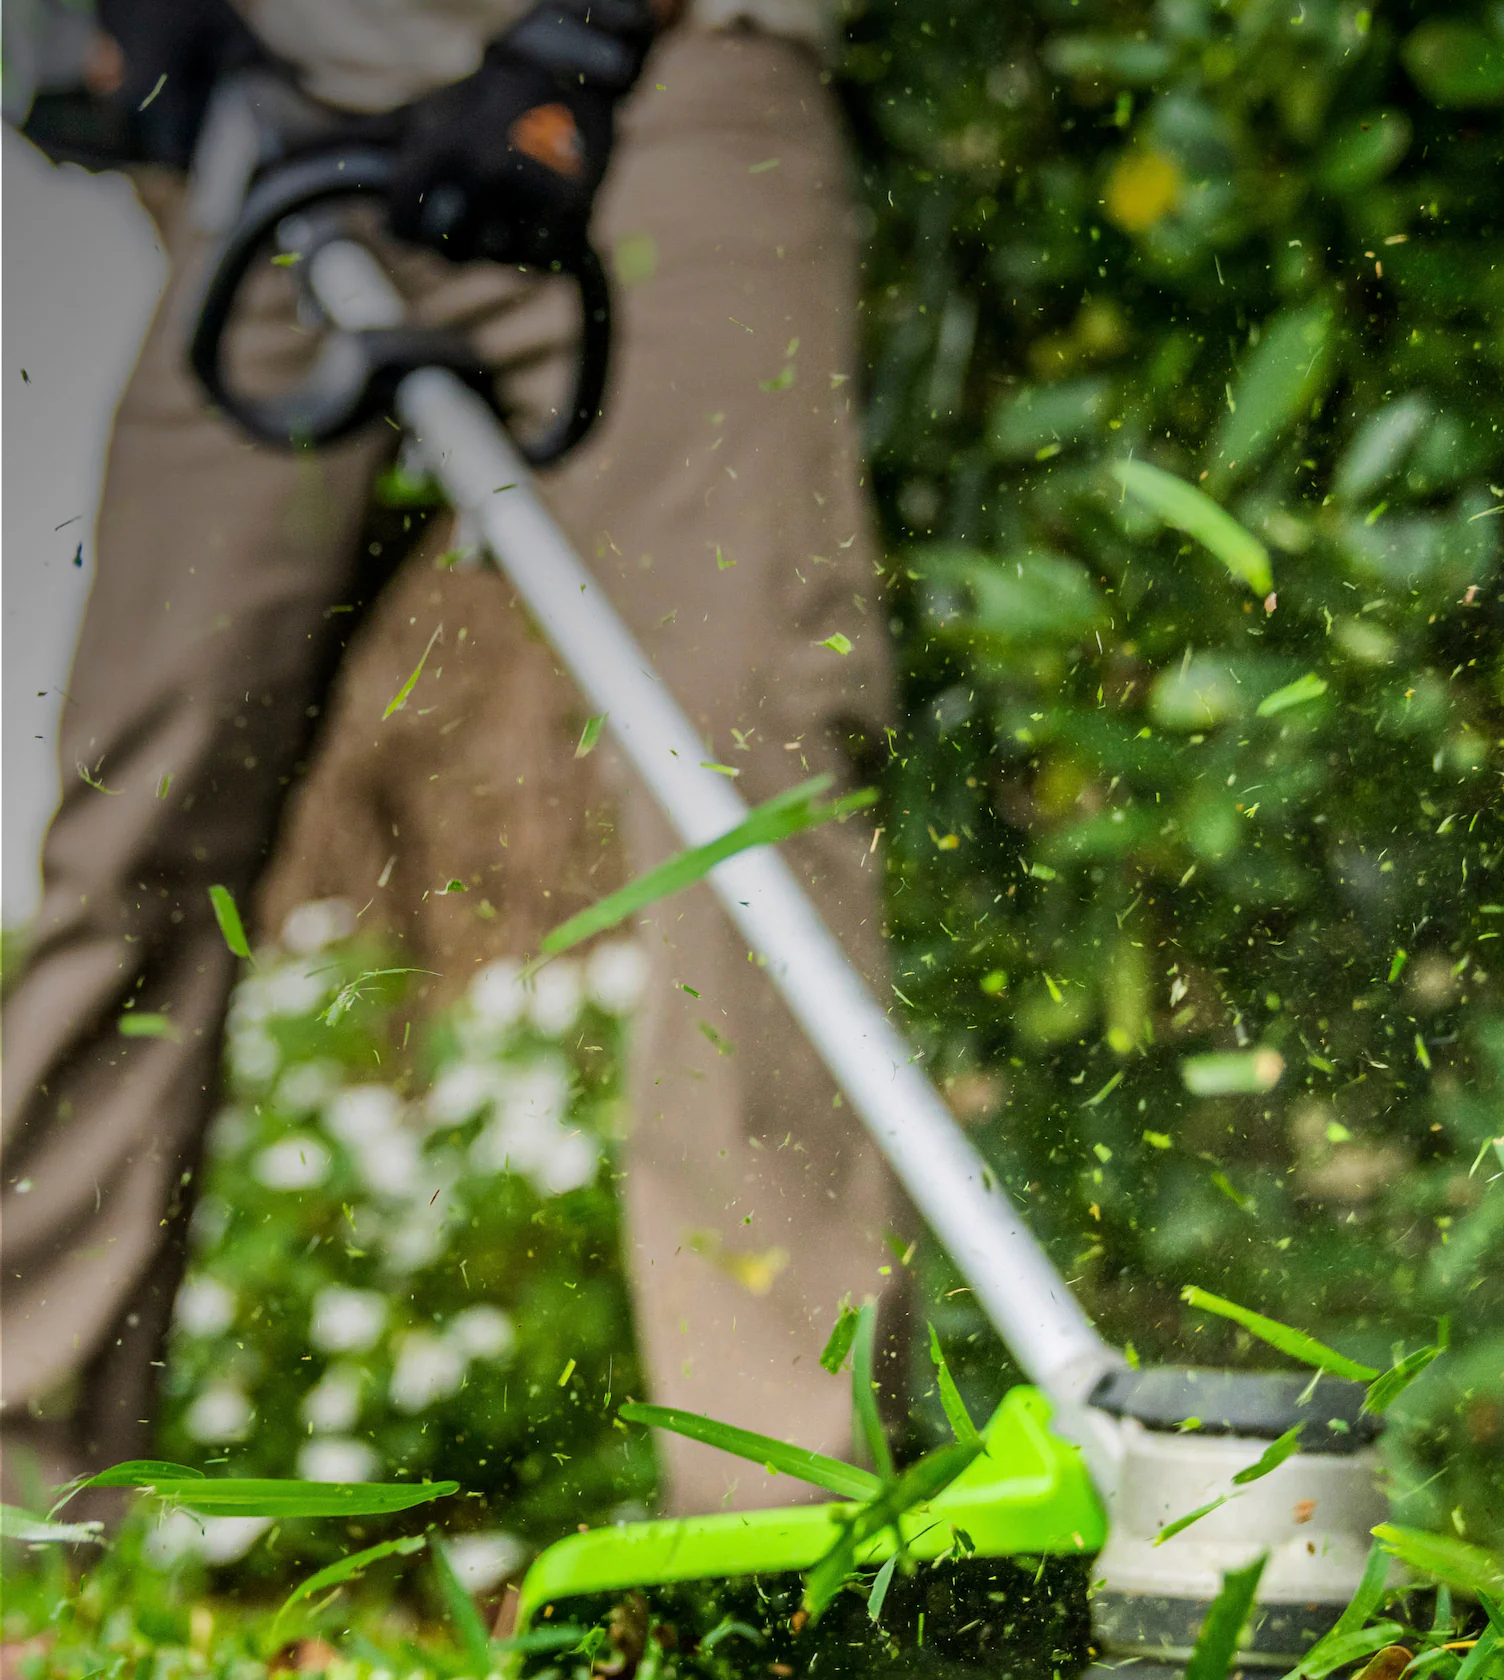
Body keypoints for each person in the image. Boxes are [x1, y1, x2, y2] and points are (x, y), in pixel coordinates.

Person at [0, 0, 900, 1517]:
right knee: (140, 799)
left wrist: (585, 44)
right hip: (292, 137)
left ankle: (789, 1511)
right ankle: (18, 1479)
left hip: (671, 84)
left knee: (748, 757)